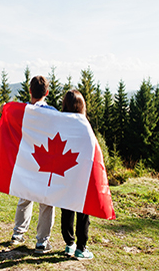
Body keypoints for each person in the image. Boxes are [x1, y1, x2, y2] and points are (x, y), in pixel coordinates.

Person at [10, 75, 56, 254]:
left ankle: (17, 234)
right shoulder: (53, 112)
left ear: (29, 91)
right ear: (47, 92)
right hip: (46, 162)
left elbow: (5, 112)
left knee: (24, 197)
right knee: (46, 202)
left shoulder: (24, 110)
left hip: (28, 161)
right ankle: (41, 242)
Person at [60, 89, 94, 260]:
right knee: (83, 211)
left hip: (64, 171)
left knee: (66, 207)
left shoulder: (60, 121)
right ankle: (81, 248)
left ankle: (69, 244)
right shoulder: (84, 123)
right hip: (82, 173)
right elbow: (92, 148)